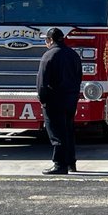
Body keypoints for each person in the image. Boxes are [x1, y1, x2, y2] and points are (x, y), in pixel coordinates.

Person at [37, 26, 82, 175]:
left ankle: (59, 164)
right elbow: (79, 77)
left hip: (54, 99)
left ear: (50, 40)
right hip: (71, 99)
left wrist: (43, 99)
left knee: (56, 133)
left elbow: (42, 82)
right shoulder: (73, 55)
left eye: (46, 40)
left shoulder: (48, 56)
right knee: (68, 131)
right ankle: (71, 163)